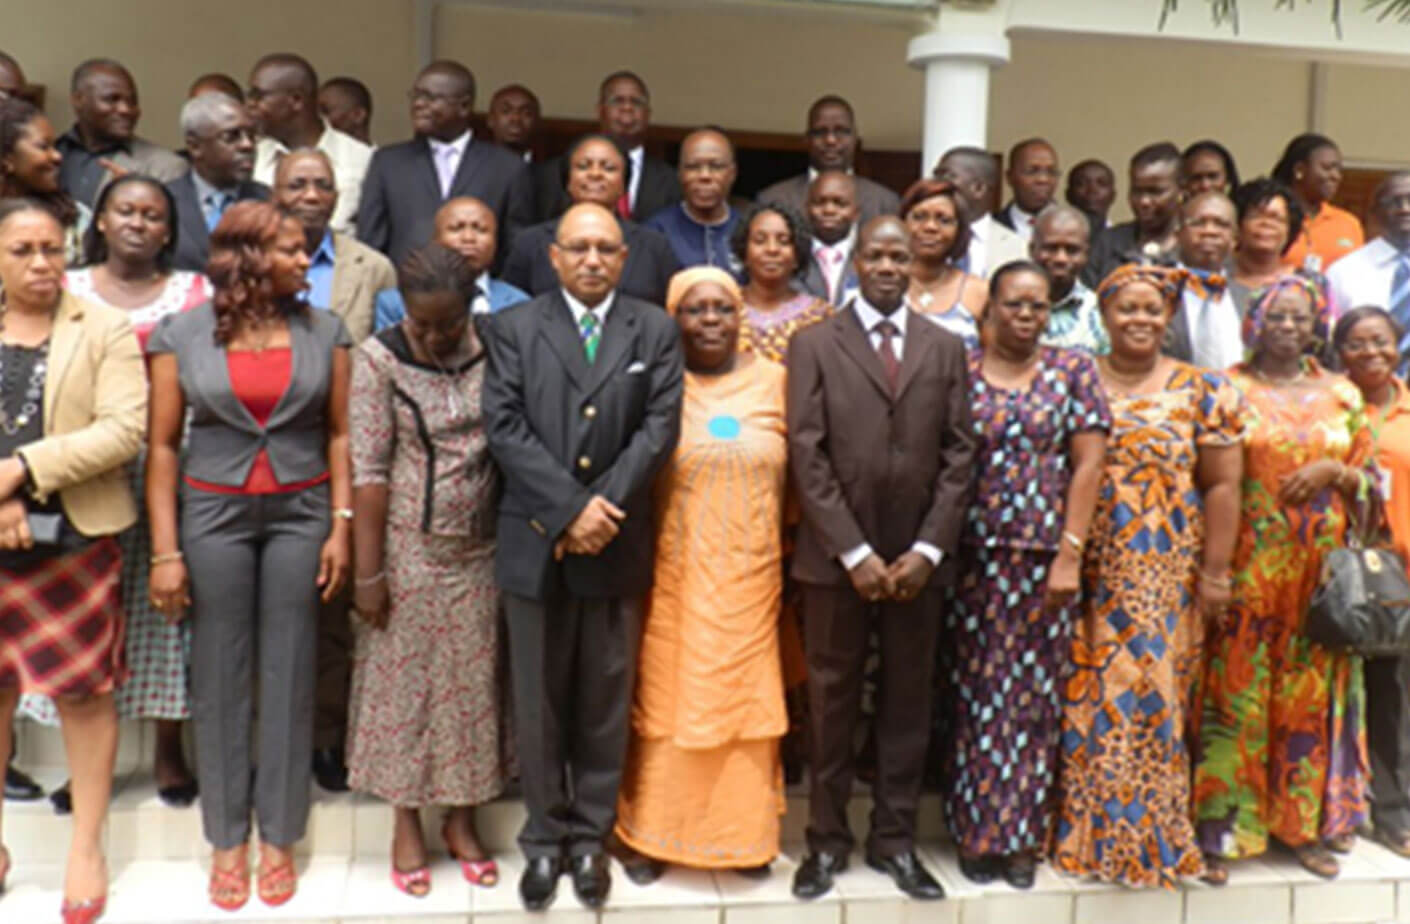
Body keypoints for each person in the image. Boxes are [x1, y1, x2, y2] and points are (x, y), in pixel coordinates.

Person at [145, 200, 352, 910]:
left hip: (302, 511)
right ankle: (227, 838)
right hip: (213, 512)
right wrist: (165, 550)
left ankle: (279, 835)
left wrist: (342, 524)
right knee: (221, 673)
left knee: (290, 670)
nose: (306, 260)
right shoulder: (182, 334)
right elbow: (164, 445)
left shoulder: (327, 329)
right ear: (252, 259)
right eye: (294, 250)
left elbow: (340, 435)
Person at [482, 202, 683, 911]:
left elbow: (658, 430)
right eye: (580, 248)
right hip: (537, 542)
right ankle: (543, 843)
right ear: (554, 257)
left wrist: (601, 513)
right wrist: (569, 511)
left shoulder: (654, 328)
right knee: (537, 704)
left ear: (624, 259)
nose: (593, 259)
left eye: (606, 248)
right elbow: (503, 426)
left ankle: (591, 840)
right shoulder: (512, 328)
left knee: (603, 702)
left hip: (617, 539)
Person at [787, 216, 977, 902]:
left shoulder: (945, 346)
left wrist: (928, 548)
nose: (890, 265)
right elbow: (805, 455)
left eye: (901, 255)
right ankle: (826, 844)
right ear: (854, 262)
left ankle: (894, 842)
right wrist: (855, 551)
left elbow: (960, 454)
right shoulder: (813, 344)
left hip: (919, 563)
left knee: (906, 703)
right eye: (877, 254)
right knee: (832, 704)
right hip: (837, 563)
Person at [18, 175, 209, 814]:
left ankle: (166, 750)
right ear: (98, 221)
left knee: (163, 611)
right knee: (84, 631)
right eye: (124, 210)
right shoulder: (59, 287)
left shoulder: (190, 293)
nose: (138, 223)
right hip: (66, 479)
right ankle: (86, 767)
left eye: (153, 215)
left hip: (162, 472)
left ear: (169, 228)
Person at [1053, 263, 1243, 889]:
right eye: (1125, 309)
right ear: (1103, 317)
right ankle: (1089, 840)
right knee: (1088, 699)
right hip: (1089, 570)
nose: (1139, 319)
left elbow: (1221, 485)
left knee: (1155, 702)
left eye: (1151, 308)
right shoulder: (1076, 379)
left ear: (1168, 317)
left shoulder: (1201, 389)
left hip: (1164, 572)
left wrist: (1215, 572)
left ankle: (1155, 841)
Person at [347, 243, 513, 896]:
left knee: (472, 691)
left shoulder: (498, 346)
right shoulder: (380, 358)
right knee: (404, 690)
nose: (436, 334)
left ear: (472, 306)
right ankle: (407, 822)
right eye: (423, 322)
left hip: (484, 547)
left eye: (448, 322)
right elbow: (369, 468)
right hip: (406, 549)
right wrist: (369, 575)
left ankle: (462, 821)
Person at [1194, 274, 1372, 882]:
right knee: (1236, 694)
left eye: (1300, 318)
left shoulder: (1344, 394)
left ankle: (1301, 828)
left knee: (1308, 699)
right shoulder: (1227, 389)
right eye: (1277, 317)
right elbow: (1207, 480)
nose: (1288, 328)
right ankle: (1223, 830)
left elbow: (1378, 479)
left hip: (1318, 580)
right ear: (1255, 324)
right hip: (1248, 568)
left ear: (1316, 325)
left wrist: (1336, 472)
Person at [613, 266, 788, 881]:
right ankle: (652, 836)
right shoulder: (656, 387)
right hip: (674, 579)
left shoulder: (777, 382)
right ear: (673, 318)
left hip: (752, 577)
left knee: (745, 707)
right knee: (668, 704)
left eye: (723, 308)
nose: (710, 320)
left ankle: (743, 838)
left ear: (742, 317)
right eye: (695, 309)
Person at [939, 261, 1109, 890]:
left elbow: (1088, 465)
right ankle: (974, 830)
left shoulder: (1073, 371)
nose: (1027, 316)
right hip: (968, 558)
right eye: (1014, 305)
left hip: (1042, 562)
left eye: (1038, 307)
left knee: (1032, 701)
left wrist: (1070, 553)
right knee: (973, 695)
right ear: (989, 312)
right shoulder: (956, 367)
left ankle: (1018, 837)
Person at [0, 197, 147, 924]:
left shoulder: (105, 327)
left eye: (52, 249)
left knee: (84, 694)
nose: (40, 264)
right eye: (23, 250)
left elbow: (124, 429)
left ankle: (86, 845)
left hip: (76, 541)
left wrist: (23, 467)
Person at [1333, 305, 1410, 859]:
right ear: (1340, 353)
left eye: (1381, 342)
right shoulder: (1329, 405)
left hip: (1401, 572)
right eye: (1358, 344)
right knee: (1332, 691)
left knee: (1393, 694)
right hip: (1337, 573)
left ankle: (1391, 812)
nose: (1371, 354)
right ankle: (1335, 804)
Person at [357, 59, 533, 269]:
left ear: (464, 106)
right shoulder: (388, 162)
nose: (418, 104)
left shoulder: (507, 167)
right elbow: (370, 242)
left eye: (430, 97)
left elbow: (515, 247)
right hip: (401, 295)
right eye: (416, 96)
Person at [502, 134, 679, 306]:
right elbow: (511, 306)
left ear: (624, 185)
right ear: (567, 181)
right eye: (583, 166)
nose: (595, 174)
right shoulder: (530, 242)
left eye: (608, 168)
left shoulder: (654, 246)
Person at [274, 148, 395, 342]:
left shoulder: (374, 269)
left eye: (324, 186)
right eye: (297, 186)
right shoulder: (252, 263)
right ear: (274, 196)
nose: (312, 196)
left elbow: (389, 356)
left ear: (336, 198)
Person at [249, 53, 371, 235]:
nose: (250, 105)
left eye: (259, 97)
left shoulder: (363, 160)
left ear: (296, 100)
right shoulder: (249, 158)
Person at [537, 71, 679, 224]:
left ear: (648, 114)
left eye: (636, 102)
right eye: (617, 101)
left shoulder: (672, 180)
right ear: (600, 111)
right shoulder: (551, 174)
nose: (627, 108)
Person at [375, 196, 529, 329]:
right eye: (456, 228)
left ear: (496, 242)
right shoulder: (395, 303)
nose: (469, 238)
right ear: (435, 240)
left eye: (481, 230)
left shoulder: (519, 303)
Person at [56, 59, 186, 207]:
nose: (126, 109)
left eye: (132, 102)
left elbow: (179, 228)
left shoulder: (166, 168)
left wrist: (137, 196)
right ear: (78, 100)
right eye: (112, 99)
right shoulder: (53, 154)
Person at [759, 95, 899, 227]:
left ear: (855, 138)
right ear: (807, 140)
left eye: (841, 131)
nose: (830, 140)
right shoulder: (773, 199)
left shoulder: (884, 202)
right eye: (820, 132)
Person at [166, 93, 266, 273]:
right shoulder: (164, 202)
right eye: (232, 136)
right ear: (194, 146)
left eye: (251, 135)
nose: (247, 145)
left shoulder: (270, 202)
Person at [1328, 172, 1410, 373]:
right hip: (1361, 395)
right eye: (1394, 202)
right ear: (1374, 212)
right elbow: (1329, 344)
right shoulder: (1343, 272)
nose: (1404, 209)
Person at [732, 203, 832, 363]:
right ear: (744, 253)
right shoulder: (724, 309)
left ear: (797, 255)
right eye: (760, 240)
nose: (772, 249)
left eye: (784, 241)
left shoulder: (820, 315)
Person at [1, 97, 89, 264]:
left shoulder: (76, 218)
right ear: (7, 158)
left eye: (54, 146)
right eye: (43, 147)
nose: (57, 156)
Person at [899, 178, 985, 346]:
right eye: (919, 217)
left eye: (944, 220)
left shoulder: (979, 292)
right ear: (902, 222)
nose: (930, 227)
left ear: (959, 231)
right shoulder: (883, 284)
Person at [643, 128, 741, 274]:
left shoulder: (748, 230)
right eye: (693, 167)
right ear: (680, 173)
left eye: (716, 166)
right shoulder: (656, 232)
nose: (704, 176)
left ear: (732, 173)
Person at [1084, 143, 1183, 286]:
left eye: (1155, 192)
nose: (1144, 201)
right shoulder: (1107, 244)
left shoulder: (1196, 247)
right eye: (1137, 191)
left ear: (1181, 190)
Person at [1168, 191, 1243, 368]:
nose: (1209, 232)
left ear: (1235, 239)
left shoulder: (1249, 299)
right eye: (1198, 223)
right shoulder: (1157, 294)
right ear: (1178, 235)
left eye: (1221, 224)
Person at [1273, 133, 1363, 273]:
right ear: (1299, 170)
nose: (1336, 176)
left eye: (1338, 170)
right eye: (1327, 168)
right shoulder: (1273, 217)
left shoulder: (1349, 223)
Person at [935, 146, 1027, 277]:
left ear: (979, 188)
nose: (937, 184)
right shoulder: (923, 237)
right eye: (936, 175)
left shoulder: (1017, 247)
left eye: (947, 176)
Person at [1032, 205, 1107, 354]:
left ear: (1086, 254)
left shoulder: (1101, 313)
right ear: (1032, 249)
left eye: (1072, 250)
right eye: (1051, 248)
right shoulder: (1006, 308)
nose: (1061, 258)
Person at [1229, 177, 1306, 320]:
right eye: (1256, 216)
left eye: (1277, 218)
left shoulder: (1309, 285)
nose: (1266, 223)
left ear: (1290, 230)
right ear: (1238, 224)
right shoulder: (1214, 280)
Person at [800, 171, 859, 305]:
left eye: (840, 204)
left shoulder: (866, 260)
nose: (829, 210)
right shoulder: (792, 259)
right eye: (820, 202)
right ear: (806, 209)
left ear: (856, 213)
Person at [994, 138, 1060, 241]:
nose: (1043, 179)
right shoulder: (990, 227)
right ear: (1009, 177)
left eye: (1051, 172)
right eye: (1032, 171)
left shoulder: (1081, 227)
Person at [486, 83, 540, 160]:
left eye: (526, 113)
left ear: (536, 123)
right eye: (506, 111)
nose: (516, 118)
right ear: (490, 120)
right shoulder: (472, 165)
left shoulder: (552, 170)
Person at [1065, 158, 1116, 235]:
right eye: (1081, 183)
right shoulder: (1052, 237)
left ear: (1113, 195)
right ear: (1068, 195)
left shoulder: (1124, 242)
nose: (1092, 190)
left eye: (1102, 183)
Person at [318, 77, 373, 146]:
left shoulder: (380, 156)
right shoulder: (313, 155)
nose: (317, 118)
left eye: (325, 111)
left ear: (358, 115)